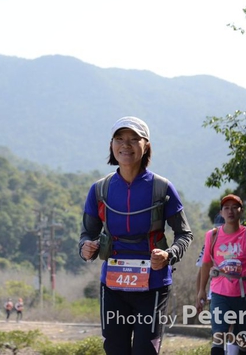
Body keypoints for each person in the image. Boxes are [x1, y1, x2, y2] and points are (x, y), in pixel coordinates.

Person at [79, 116, 193, 355]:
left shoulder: (162, 188)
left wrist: (169, 255)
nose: (126, 145)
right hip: (113, 286)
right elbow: (87, 233)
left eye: (134, 139)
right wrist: (85, 247)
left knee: (145, 351)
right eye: (119, 139)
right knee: (115, 350)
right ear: (111, 145)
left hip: (153, 285)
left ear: (146, 145)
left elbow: (184, 234)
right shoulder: (100, 190)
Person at [196, 194, 246, 355]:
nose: (230, 211)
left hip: (244, 295)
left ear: (241, 211)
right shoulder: (212, 235)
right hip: (219, 294)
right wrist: (201, 290)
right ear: (221, 212)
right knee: (219, 336)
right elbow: (206, 264)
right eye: (226, 208)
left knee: (244, 340)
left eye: (235, 207)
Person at [196, 214, 239, 355]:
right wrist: (200, 293)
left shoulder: (240, 240)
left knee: (233, 328)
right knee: (221, 330)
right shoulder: (211, 242)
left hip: (236, 291)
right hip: (217, 293)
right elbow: (201, 271)